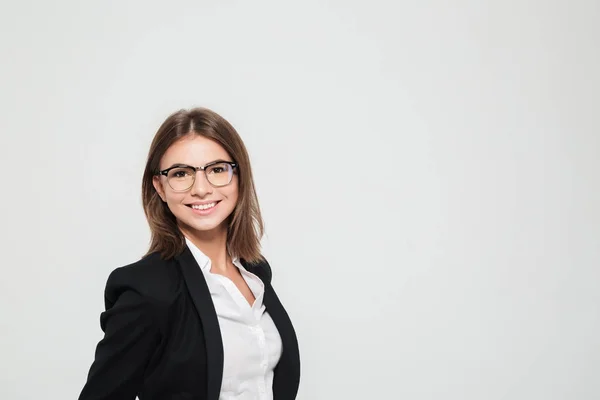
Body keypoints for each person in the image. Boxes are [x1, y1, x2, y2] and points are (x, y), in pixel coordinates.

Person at [78, 108, 301, 400]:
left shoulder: (255, 272)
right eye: (181, 174)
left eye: (217, 169)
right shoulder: (147, 289)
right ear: (160, 186)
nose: (201, 189)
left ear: (238, 176)